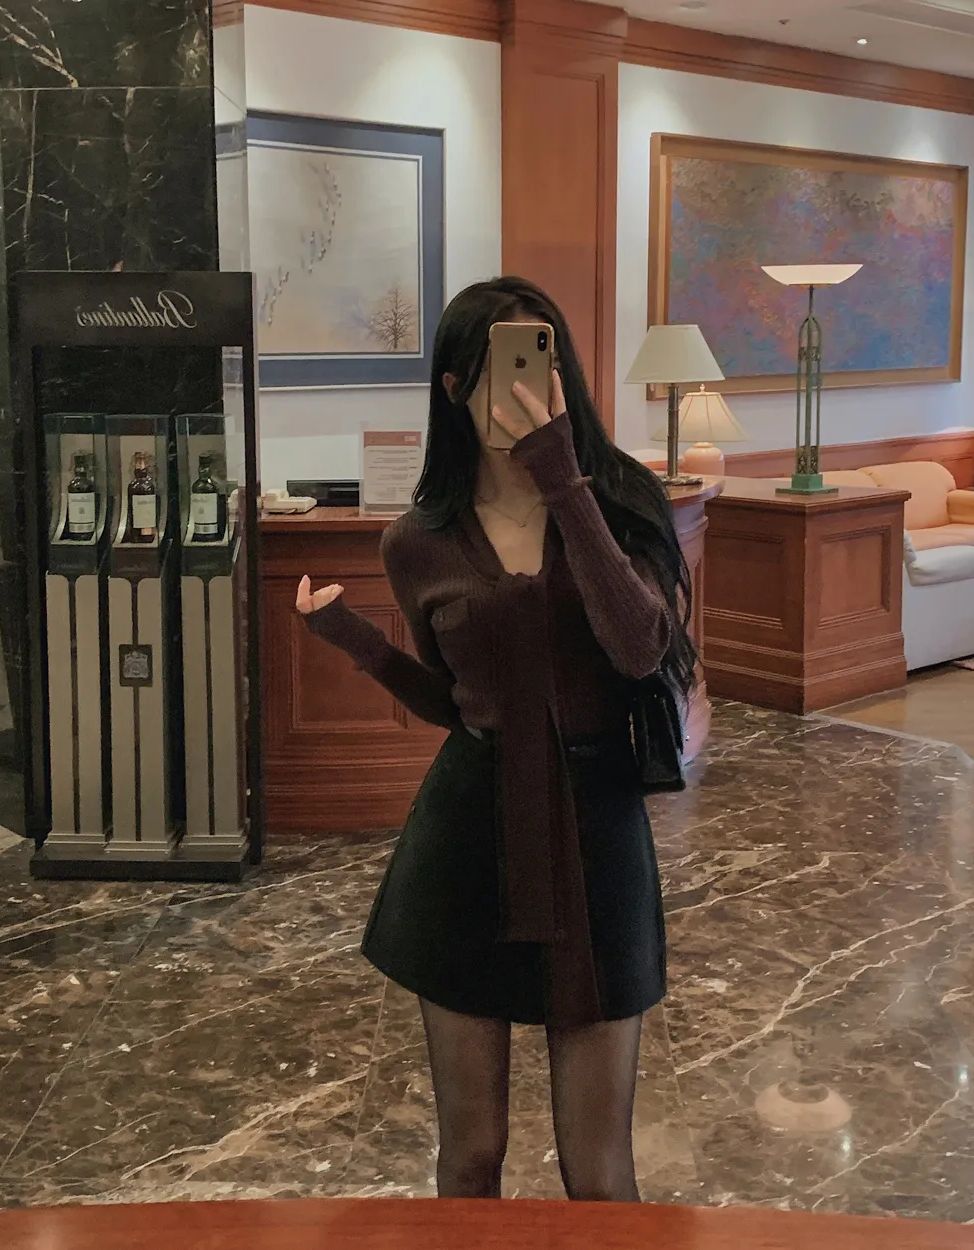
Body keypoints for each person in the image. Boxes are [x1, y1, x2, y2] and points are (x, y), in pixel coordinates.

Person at [295, 276, 697, 1202]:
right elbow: (457, 705)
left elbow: (640, 648)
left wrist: (564, 481)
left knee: (600, 1171)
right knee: (470, 1155)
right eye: (502, 370)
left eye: (541, 363)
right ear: (454, 388)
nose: (527, 388)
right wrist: (356, 641)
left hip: (597, 834)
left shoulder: (621, 499)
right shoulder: (418, 542)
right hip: (468, 840)